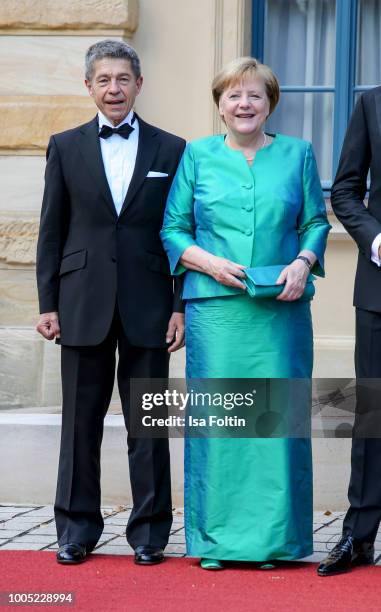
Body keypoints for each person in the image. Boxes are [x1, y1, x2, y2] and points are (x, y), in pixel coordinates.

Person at [161, 57, 330, 569]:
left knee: (277, 422)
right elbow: (173, 228)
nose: (244, 104)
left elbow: (315, 222)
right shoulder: (197, 155)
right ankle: (214, 542)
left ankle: (276, 541)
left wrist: (304, 263)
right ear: (219, 105)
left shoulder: (299, 154)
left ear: (270, 103)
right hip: (216, 313)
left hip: (280, 312)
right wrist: (208, 263)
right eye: (234, 96)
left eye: (255, 96)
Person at [36, 40, 185, 565]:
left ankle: (149, 534)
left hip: (150, 303)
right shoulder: (65, 145)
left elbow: (182, 232)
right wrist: (47, 302)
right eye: (104, 80)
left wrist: (179, 305)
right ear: (89, 86)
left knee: (149, 425)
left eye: (123, 79)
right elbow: (51, 231)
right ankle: (76, 530)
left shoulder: (172, 149)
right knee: (80, 425)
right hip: (81, 302)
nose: (114, 88)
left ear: (139, 84)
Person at [317, 88, 381, 576]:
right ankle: (358, 538)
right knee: (373, 415)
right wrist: (377, 240)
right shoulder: (371, 103)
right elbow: (344, 190)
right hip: (380, 289)